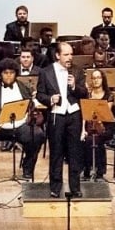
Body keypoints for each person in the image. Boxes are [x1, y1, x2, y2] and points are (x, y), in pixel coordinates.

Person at [0, 58, 45, 180]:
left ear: (16, 74)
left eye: (11, 73)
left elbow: (30, 105)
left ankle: (27, 168)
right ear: (0, 74)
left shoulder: (23, 87)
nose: (8, 76)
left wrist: (29, 112)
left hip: (20, 125)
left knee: (37, 135)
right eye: (5, 73)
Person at [37, 41, 88, 198]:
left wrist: (74, 87)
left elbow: (84, 93)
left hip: (74, 114)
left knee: (75, 153)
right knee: (56, 152)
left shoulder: (78, 71)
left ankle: (75, 187)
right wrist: (50, 99)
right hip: (56, 115)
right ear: (57, 55)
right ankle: (55, 187)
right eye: (66, 54)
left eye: (71, 54)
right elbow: (40, 94)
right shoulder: (46, 72)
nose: (70, 57)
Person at [80, 67, 115, 181]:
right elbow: (85, 114)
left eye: (98, 77)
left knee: (97, 139)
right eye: (94, 78)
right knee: (86, 139)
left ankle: (100, 172)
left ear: (103, 79)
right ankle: (86, 169)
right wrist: (83, 130)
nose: (96, 80)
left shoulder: (109, 95)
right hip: (89, 125)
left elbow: (104, 114)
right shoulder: (87, 95)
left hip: (105, 125)